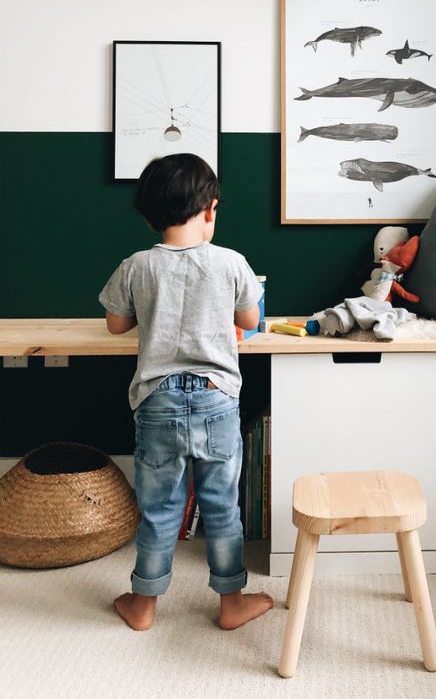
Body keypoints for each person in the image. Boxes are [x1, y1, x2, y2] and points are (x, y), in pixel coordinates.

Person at [99, 152, 273, 632]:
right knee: (221, 506)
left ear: (150, 214)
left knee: (159, 509)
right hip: (217, 397)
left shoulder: (136, 266)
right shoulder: (231, 262)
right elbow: (249, 321)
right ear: (211, 209)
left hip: (157, 400)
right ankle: (231, 602)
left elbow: (116, 325)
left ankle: (144, 605)